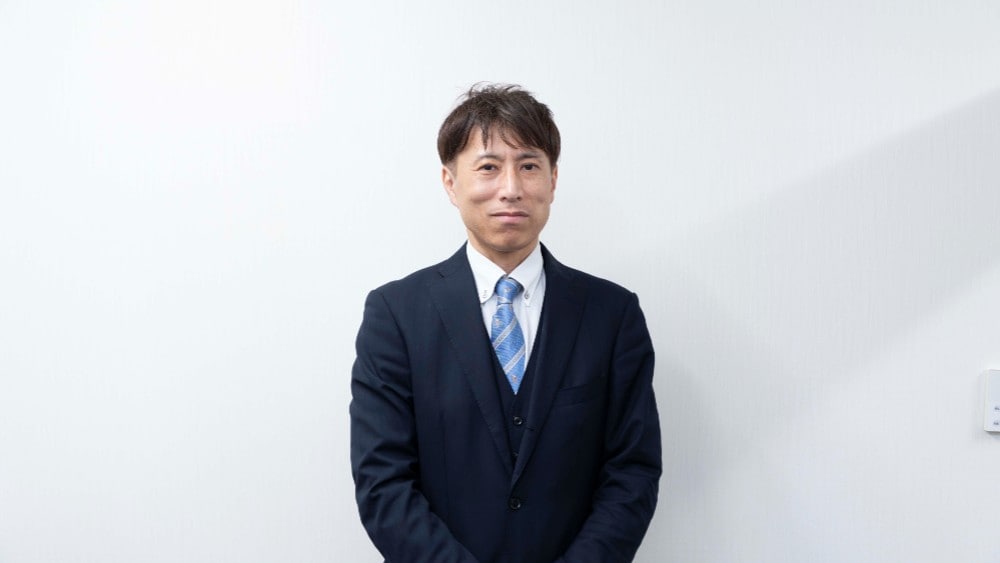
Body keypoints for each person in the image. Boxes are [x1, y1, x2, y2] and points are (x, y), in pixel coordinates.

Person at [350, 84, 661, 563]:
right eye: (489, 167)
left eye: (529, 166)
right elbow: (383, 482)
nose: (511, 188)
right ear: (450, 182)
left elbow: (632, 471)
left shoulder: (612, 314)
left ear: (553, 180)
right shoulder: (395, 314)